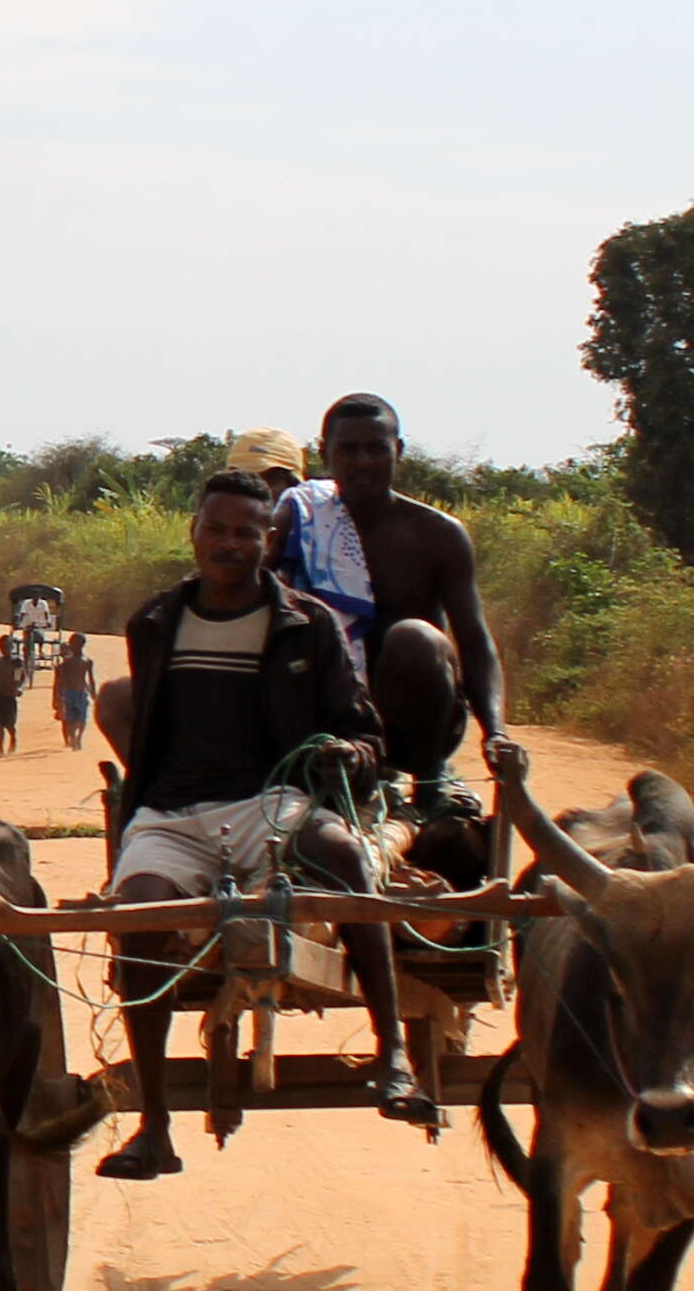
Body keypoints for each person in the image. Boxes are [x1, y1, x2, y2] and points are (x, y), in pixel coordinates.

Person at [96, 468, 427, 1181]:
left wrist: (352, 751)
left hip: (271, 807)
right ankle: (153, 1126)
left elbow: (364, 733)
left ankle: (392, 1054)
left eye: (246, 531)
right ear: (193, 533)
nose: (229, 543)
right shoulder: (153, 624)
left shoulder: (306, 625)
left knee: (344, 858)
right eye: (216, 528)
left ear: (267, 540)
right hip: (172, 816)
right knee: (137, 917)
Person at [269, 393, 526, 821]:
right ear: (323, 453)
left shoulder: (438, 535)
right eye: (348, 449)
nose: (363, 461)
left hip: (413, 725)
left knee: (417, 639)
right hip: (319, 716)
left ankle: (429, 787)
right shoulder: (300, 520)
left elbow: (475, 641)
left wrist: (495, 732)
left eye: (376, 448)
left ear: (399, 451)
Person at [50, 631, 96, 751]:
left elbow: (90, 679)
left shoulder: (87, 661)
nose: (72, 646)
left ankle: (79, 737)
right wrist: (58, 696)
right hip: (69, 693)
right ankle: (73, 738)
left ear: (81, 645)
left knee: (82, 719)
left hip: (81, 693)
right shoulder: (67, 661)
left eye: (75, 643)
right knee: (70, 719)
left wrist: (94, 694)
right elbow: (61, 679)